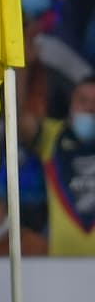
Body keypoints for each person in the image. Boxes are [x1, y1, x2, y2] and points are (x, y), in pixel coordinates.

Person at [38, 78, 95, 256]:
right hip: (61, 267)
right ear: (71, 105)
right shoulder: (52, 135)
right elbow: (18, 118)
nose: (90, 109)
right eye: (83, 101)